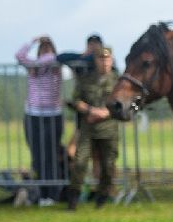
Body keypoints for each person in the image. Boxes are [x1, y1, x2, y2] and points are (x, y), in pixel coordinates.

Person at [66, 46, 121, 209]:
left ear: (111, 60)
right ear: (96, 61)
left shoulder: (118, 81)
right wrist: (91, 110)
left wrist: (105, 113)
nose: (104, 63)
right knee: (80, 162)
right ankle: (73, 199)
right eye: (101, 59)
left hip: (109, 129)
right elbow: (76, 100)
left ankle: (102, 196)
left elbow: (122, 104)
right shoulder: (86, 79)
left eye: (107, 59)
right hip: (88, 128)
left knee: (108, 166)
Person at [16, 35, 66, 205]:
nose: (46, 51)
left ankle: (51, 194)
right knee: (37, 157)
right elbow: (19, 55)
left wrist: (44, 56)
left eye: (48, 47)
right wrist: (33, 40)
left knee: (50, 156)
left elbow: (51, 59)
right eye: (42, 48)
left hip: (53, 115)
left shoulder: (56, 65)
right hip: (33, 115)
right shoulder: (33, 67)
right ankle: (39, 194)